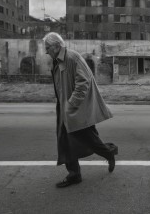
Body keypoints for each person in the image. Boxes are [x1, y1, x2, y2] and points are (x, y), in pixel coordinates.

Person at [44, 32, 117, 188]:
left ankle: (109, 152)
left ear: (57, 45)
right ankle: (74, 174)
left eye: (47, 47)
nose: (45, 51)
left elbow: (84, 83)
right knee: (65, 140)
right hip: (65, 108)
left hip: (75, 109)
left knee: (89, 139)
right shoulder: (59, 60)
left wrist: (71, 104)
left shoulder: (72, 57)